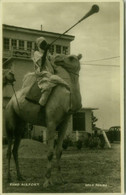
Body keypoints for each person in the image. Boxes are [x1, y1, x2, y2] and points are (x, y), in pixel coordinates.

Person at [31, 37, 69, 106]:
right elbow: (41, 64)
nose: (44, 45)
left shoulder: (48, 54)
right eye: (43, 44)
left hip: (50, 74)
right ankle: (41, 106)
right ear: (39, 46)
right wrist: (45, 51)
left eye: (45, 44)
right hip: (42, 74)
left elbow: (53, 62)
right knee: (47, 88)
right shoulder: (36, 53)